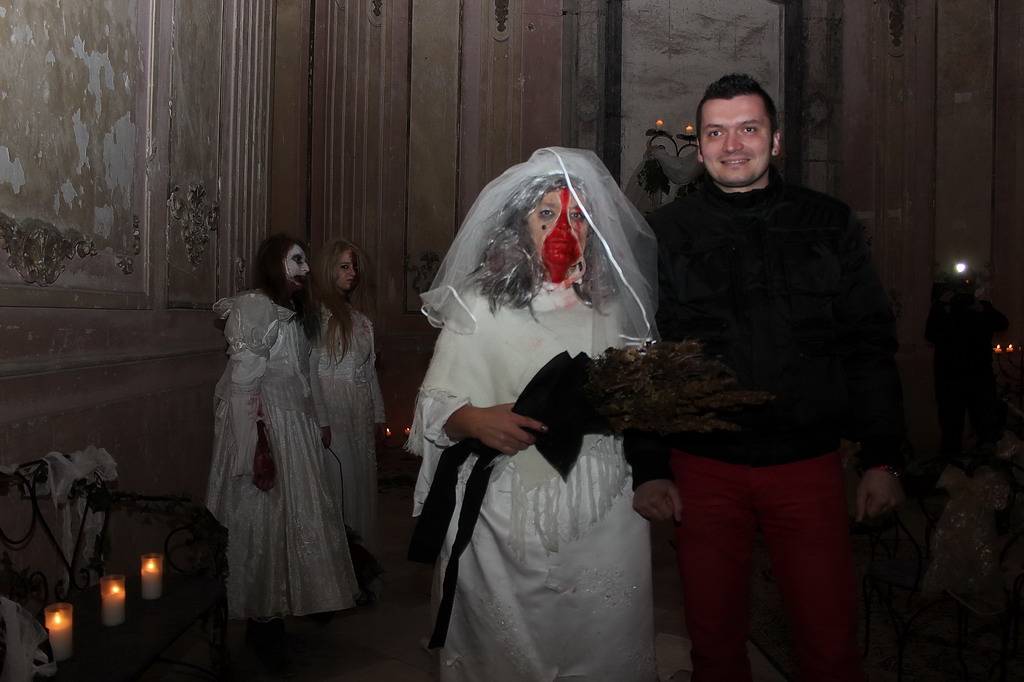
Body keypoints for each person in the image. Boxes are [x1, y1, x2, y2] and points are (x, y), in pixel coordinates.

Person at [640, 74, 906, 682]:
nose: (732, 145)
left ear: (776, 140)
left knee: (829, 637)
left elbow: (868, 344)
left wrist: (884, 458)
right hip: (703, 467)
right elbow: (646, 354)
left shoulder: (828, 223)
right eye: (716, 132)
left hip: (806, 466)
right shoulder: (664, 232)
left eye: (748, 128)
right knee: (713, 643)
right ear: (700, 146)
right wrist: (649, 465)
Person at [407, 147, 659, 681]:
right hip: (505, 511)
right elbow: (434, 403)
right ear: (519, 224)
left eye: (576, 215)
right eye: (546, 213)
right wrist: (475, 420)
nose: (563, 227)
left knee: (598, 641)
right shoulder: (480, 303)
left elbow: (639, 405)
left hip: (604, 510)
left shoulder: (614, 307)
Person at [205, 233, 358, 676]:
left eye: (305, 261)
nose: (305, 269)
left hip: (295, 429)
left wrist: (317, 422)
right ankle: (263, 624)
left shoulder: (295, 313)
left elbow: (306, 375)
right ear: (275, 263)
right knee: (264, 524)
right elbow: (242, 383)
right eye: (297, 260)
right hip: (266, 427)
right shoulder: (255, 307)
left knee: (294, 521)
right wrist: (251, 443)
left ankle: (273, 617)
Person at [311, 238, 386, 554]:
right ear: (328, 268)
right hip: (332, 406)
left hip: (359, 407)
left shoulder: (361, 321)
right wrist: (321, 419)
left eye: (354, 267)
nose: (352, 273)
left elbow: (369, 371)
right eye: (344, 266)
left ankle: (357, 557)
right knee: (337, 480)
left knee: (358, 481)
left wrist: (378, 415)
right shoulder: (317, 315)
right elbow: (310, 370)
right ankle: (334, 557)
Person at [925, 265, 1008, 456]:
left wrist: (981, 309)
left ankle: (984, 466)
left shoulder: (983, 307)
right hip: (950, 378)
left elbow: (1002, 324)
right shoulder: (943, 308)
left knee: (985, 427)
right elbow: (930, 334)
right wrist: (941, 308)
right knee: (951, 428)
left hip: (979, 377)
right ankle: (951, 466)